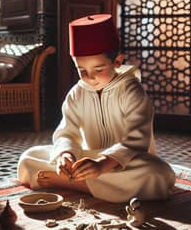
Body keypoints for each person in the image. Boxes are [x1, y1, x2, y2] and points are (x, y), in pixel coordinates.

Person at [17, 14, 175, 203]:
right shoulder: (76, 94)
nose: (90, 77)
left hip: (124, 162)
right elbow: (67, 132)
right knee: (28, 157)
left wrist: (102, 164)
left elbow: (137, 140)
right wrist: (66, 155)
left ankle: (74, 184)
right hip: (87, 160)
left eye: (98, 69)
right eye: (82, 70)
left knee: (159, 174)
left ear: (117, 61)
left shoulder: (132, 91)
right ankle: (91, 183)